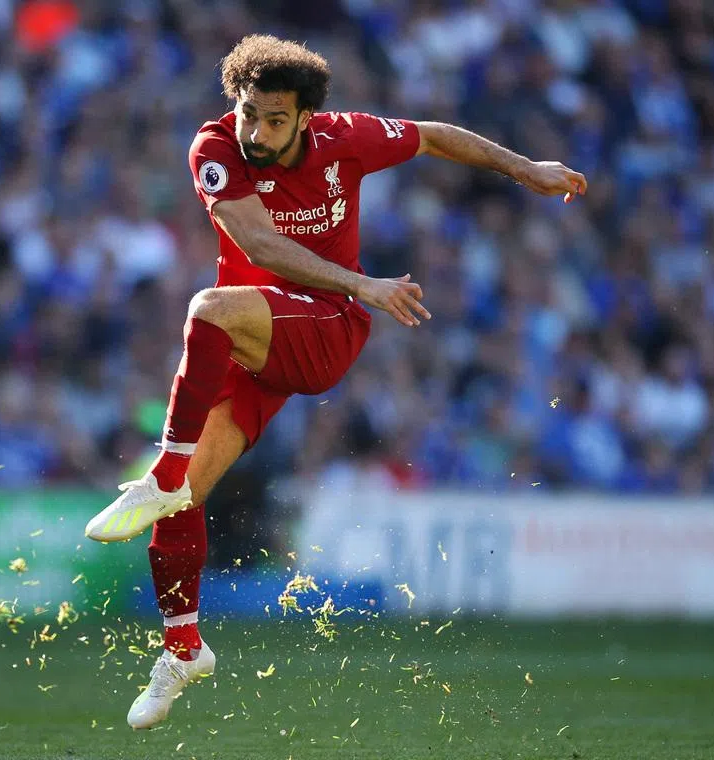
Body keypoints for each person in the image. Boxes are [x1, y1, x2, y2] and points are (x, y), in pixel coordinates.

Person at [84, 34, 587, 729]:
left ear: (306, 118)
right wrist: (362, 279)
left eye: (274, 120)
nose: (256, 132)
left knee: (208, 310)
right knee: (183, 500)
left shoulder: (346, 139)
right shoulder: (216, 149)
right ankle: (182, 648)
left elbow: (434, 136)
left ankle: (161, 474)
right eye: (248, 113)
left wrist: (526, 168)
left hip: (327, 328)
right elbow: (258, 244)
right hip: (258, 340)